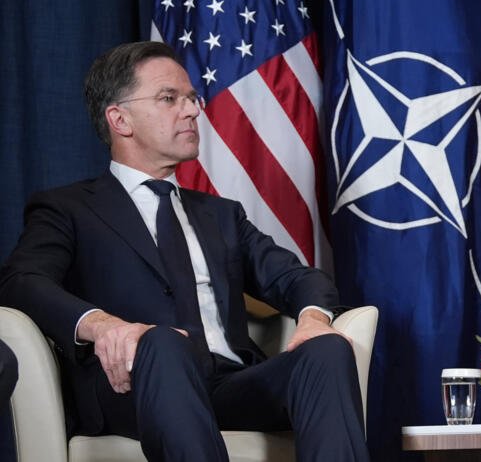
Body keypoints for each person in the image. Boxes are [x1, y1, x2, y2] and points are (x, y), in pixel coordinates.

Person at [0, 42, 368, 462]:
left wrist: (314, 320)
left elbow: (298, 278)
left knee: (326, 350)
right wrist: (102, 326)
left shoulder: (221, 215)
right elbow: (19, 282)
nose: (192, 110)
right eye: (169, 98)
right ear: (120, 119)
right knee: (162, 343)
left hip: (231, 384)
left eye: (192, 98)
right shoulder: (68, 208)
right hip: (137, 387)